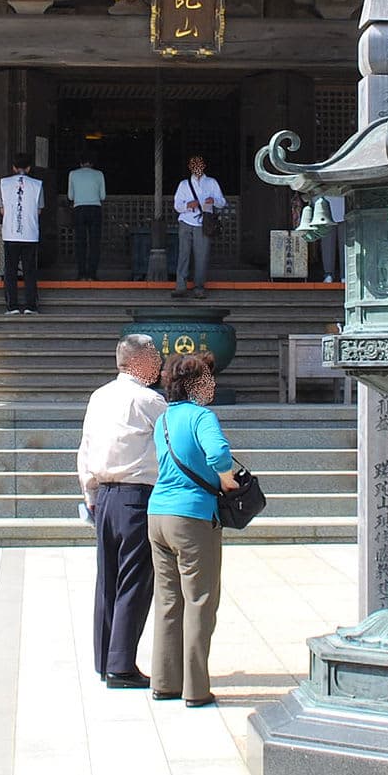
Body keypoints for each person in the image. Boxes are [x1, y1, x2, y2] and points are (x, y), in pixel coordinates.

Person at [148, 351, 239, 707]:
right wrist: (226, 478)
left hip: (158, 514)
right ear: (195, 385)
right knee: (200, 600)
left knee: (168, 600)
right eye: (208, 379)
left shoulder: (163, 420)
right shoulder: (202, 416)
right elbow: (218, 454)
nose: (212, 385)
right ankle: (196, 688)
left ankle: (164, 682)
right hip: (193, 516)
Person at [77, 333, 164, 689]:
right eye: (154, 356)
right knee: (134, 580)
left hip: (104, 497)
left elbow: (86, 448)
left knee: (108, 580)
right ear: (139, 362)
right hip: (136, 496)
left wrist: (90, 493)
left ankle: (105, 659)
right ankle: (121, 665)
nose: (158, 363)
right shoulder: (149, 401)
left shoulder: (100, 396)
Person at [172, 155, 226, 298]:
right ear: (190, 167)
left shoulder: (211, 182)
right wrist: (188, 205)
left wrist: (213, 200)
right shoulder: (184, 184)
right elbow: (177, 206)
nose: (197, 168)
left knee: (201, 257)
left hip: (203, 224)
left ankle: (199, 287)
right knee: (183, 255)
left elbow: (222, 202)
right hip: (186, 221)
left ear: (203, 166)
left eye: (199, 165)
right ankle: (180, 286)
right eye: (194, 165)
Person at [0, 153, 43, 314]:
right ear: (29, 168)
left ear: (14, 167)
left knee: (10, 270)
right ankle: (31, 306)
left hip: (10, 233)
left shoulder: (3, 184)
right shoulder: (37, 185)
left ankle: (12, 306)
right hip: (30, 233)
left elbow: (2, 210)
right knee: (30, 270)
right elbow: (38, 210)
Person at [68, 151, 107, 280]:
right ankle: (92, 274)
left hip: (79, 209)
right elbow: (103, 196)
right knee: (94, 243)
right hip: (95, 209)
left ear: (80, 163)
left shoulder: (73, 174)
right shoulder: (99, 174)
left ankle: (81, 274)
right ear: (92, 163)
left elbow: (70, 196)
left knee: (80, 242)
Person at [315, 191, 346, 283]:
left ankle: (345, 274)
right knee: (327, 244)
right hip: (326, 208)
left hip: (345, 207)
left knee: (345, 244)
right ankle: (328, 274)